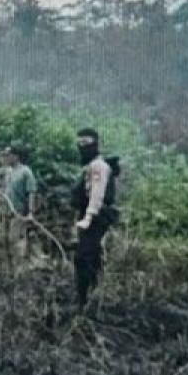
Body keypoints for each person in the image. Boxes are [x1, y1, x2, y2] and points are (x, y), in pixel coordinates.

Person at [71, 128, 120, 306]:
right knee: (91, 255)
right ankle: (91, 295)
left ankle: (84, 300)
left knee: (84, 257)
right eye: (79, 143)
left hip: (96, 217)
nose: (81, 147)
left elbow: (96, 195)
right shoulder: (90, 166)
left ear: (95, 144)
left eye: (86, 143)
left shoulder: (98, 166)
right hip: (90, 215)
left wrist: (88, 217)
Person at [0, 145, 41, 268]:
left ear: (16, 157)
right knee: (5, 240)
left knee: (16, 240)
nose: (6, 159)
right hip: (6, 211)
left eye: (8, 156)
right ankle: (10, 270)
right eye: (5, 156)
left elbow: (31, 192)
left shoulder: (25, 171)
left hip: (19, 213)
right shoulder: (8, 172)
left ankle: (21, 269)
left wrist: (30, 213)